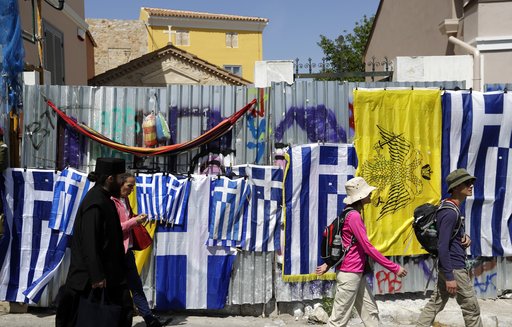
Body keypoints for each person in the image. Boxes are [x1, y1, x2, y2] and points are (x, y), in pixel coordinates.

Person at [316, 176, 408, 327]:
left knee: (370, 314)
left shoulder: (349, 213)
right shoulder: (354, 216)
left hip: (357, 273)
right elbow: (368, 247)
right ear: (360, 196)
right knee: (338, 320)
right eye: (367, 192)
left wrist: (328, 264)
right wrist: (394, 267)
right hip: (350, 274)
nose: (370, 194)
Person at [56, 158, 133, 327]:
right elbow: (89, 242)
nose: (122, 183)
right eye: (120, 178)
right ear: (110, 179)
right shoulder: (95, 202)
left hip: (110, 276)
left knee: (122, 313)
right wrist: (97, 275)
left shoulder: (105, 199)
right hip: (90, 280)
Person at [417, 168, 483, 327]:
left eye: (471, 182)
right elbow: (442, 246)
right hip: (454, 268)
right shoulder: (449, 212)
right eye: (466, 183)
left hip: (449, 266)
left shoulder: (450, 208)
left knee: (436, 303)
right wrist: (450, 277)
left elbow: (449, 237)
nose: (471, 185)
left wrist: (465, 238)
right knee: (471, 308)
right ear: (455, 187)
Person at [111, 172, 167, 327]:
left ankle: (149, 318)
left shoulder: (125, 200)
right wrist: (134, 221)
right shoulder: (111, 202)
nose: (131, 190)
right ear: (120, 184)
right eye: (129, 186)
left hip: (127, 251)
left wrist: (135, 219)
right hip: (115, 253)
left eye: (133, 186)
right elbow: (115, 229)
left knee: (136, 286)